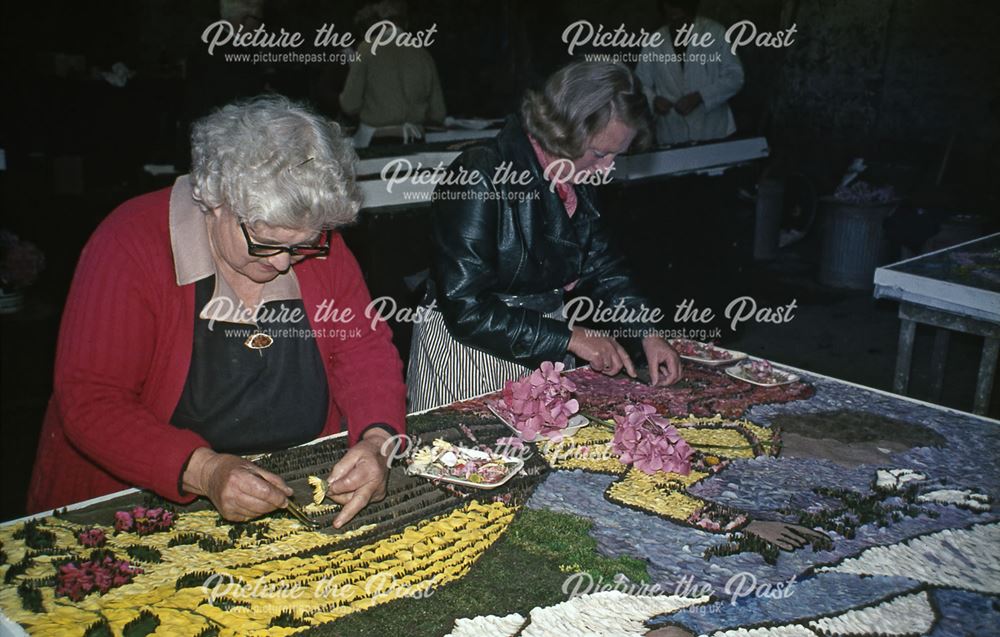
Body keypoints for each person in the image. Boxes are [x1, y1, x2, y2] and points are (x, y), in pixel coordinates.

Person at [27, 96, 407, 527]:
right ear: (217, 197)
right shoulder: (129, 243)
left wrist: (377, 440)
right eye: (266, 243)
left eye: (301, 245)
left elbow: (365, 352)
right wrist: (206, 471)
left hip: (298, 484)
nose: (284, 262)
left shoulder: (313, 244)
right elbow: (92, 401)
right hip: (139, 502)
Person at [406, 61, 682, 413]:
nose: (608, 168)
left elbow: (605, 266)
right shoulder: (481, 173)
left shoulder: (578, 177)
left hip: (542, 340)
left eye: (616, 155)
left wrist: (647, 331)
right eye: (600, 153)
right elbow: (465, 307)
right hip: (470, 351)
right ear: (565, 130)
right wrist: (570, 337)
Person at [635, 0, 744, 145]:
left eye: (681, 18)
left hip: (713, 130)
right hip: (672, 133)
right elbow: (640, 84)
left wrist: (700, 96)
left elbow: (735, 76)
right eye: (671, 18)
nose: (676, 24)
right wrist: (654, 100)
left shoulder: (715, 32)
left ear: (691, 13)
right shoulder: (653, 42)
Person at [339, 0, 446, 147]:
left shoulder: (366, 49)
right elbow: (438, 114)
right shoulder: (423, 54)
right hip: (417, 140)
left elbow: (349, 104)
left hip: (379, 141)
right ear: (406, 22)